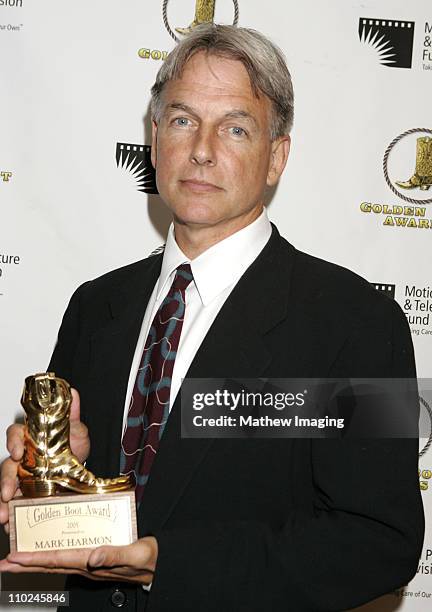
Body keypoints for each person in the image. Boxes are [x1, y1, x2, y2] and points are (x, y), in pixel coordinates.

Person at [0, 24, 425, 612]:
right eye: (182, 120)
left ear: (276, 156)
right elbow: (70, 508)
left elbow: (382, 541)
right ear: (154, 139)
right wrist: (46, 473)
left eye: (234, 127)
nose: (202, 149)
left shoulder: (359, 322)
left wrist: (164, 564)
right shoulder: (95, 306)